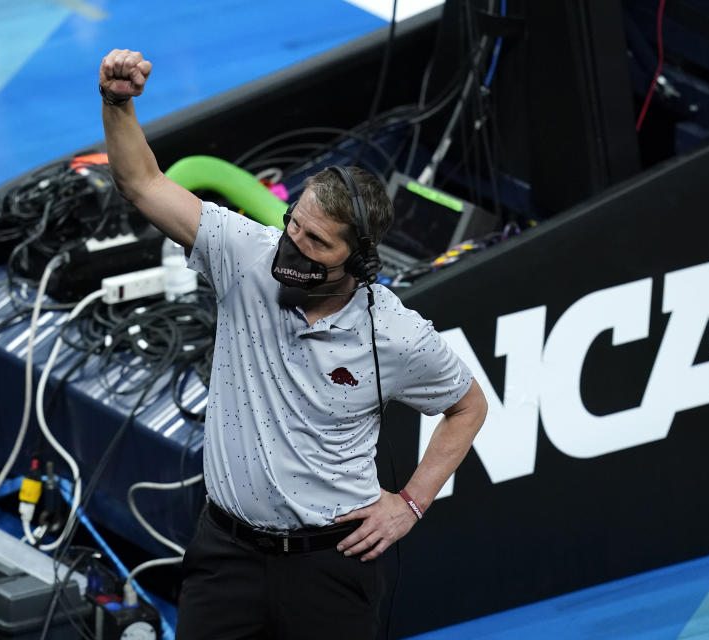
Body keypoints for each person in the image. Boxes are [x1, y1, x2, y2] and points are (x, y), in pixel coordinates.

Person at [99, 49, 488, 639]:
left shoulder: (395, 334)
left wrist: (409, 503)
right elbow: (142, 181)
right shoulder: (242, 254)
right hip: (225, 556)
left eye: (317, 243)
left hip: (330, 565)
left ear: (356, 260)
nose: (294, 246)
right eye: (294, 225)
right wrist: (118, 102)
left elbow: (468, 406)